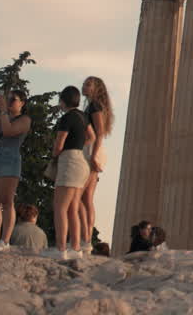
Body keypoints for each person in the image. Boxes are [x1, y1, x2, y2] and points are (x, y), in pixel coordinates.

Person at [45, 86, 90, 259]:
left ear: (63, 101)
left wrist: (54, 155)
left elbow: (59, 144)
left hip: (69, 161)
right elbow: (91, 136)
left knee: (60, 207)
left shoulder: (66, 118)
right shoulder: (83, 116)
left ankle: (61, 248)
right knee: (73, 207)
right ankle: (76, 248)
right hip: (81, 161)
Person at [0, 90, 31, 251]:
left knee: (6, 200)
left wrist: (4, 111)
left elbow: (8, 131)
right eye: (8, 98)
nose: (10, 101)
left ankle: (4, 240)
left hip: (10, 160)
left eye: (14, 99)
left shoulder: (24, 119)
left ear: (22, 103)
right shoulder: (2, 116)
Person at [78, 76, 113, 256]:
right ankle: (86, 239)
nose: (84, 86)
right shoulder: (93, 105)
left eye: (88, 84)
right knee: (85, 198)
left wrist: (93, 156)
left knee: (81, 197)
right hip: (92, 149)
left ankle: (85, 239)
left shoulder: (95, 106)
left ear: (96, 88)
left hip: (91, 150)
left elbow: (99, 133)